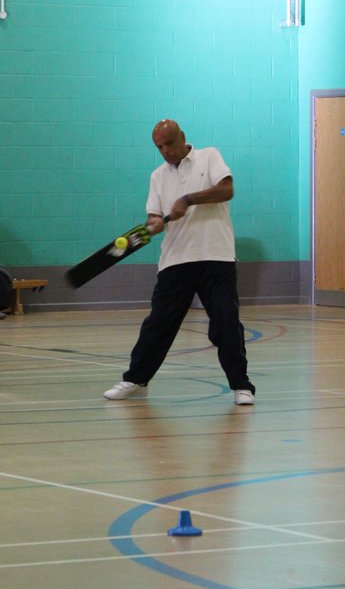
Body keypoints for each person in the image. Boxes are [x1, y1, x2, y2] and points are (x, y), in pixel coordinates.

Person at [104, 119, 256, 405]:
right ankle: (136, 379)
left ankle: (241, 385)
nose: (165, 151)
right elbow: (153, 215)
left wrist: (188, 199)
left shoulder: (209, 156)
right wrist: (154, 224)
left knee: (226, 322)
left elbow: (227, 190)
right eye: (159, 147)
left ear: (183, 137)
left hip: (216, 257)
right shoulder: (157, 177)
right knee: (158, 324)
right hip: (175, 260)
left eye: (169, 144)